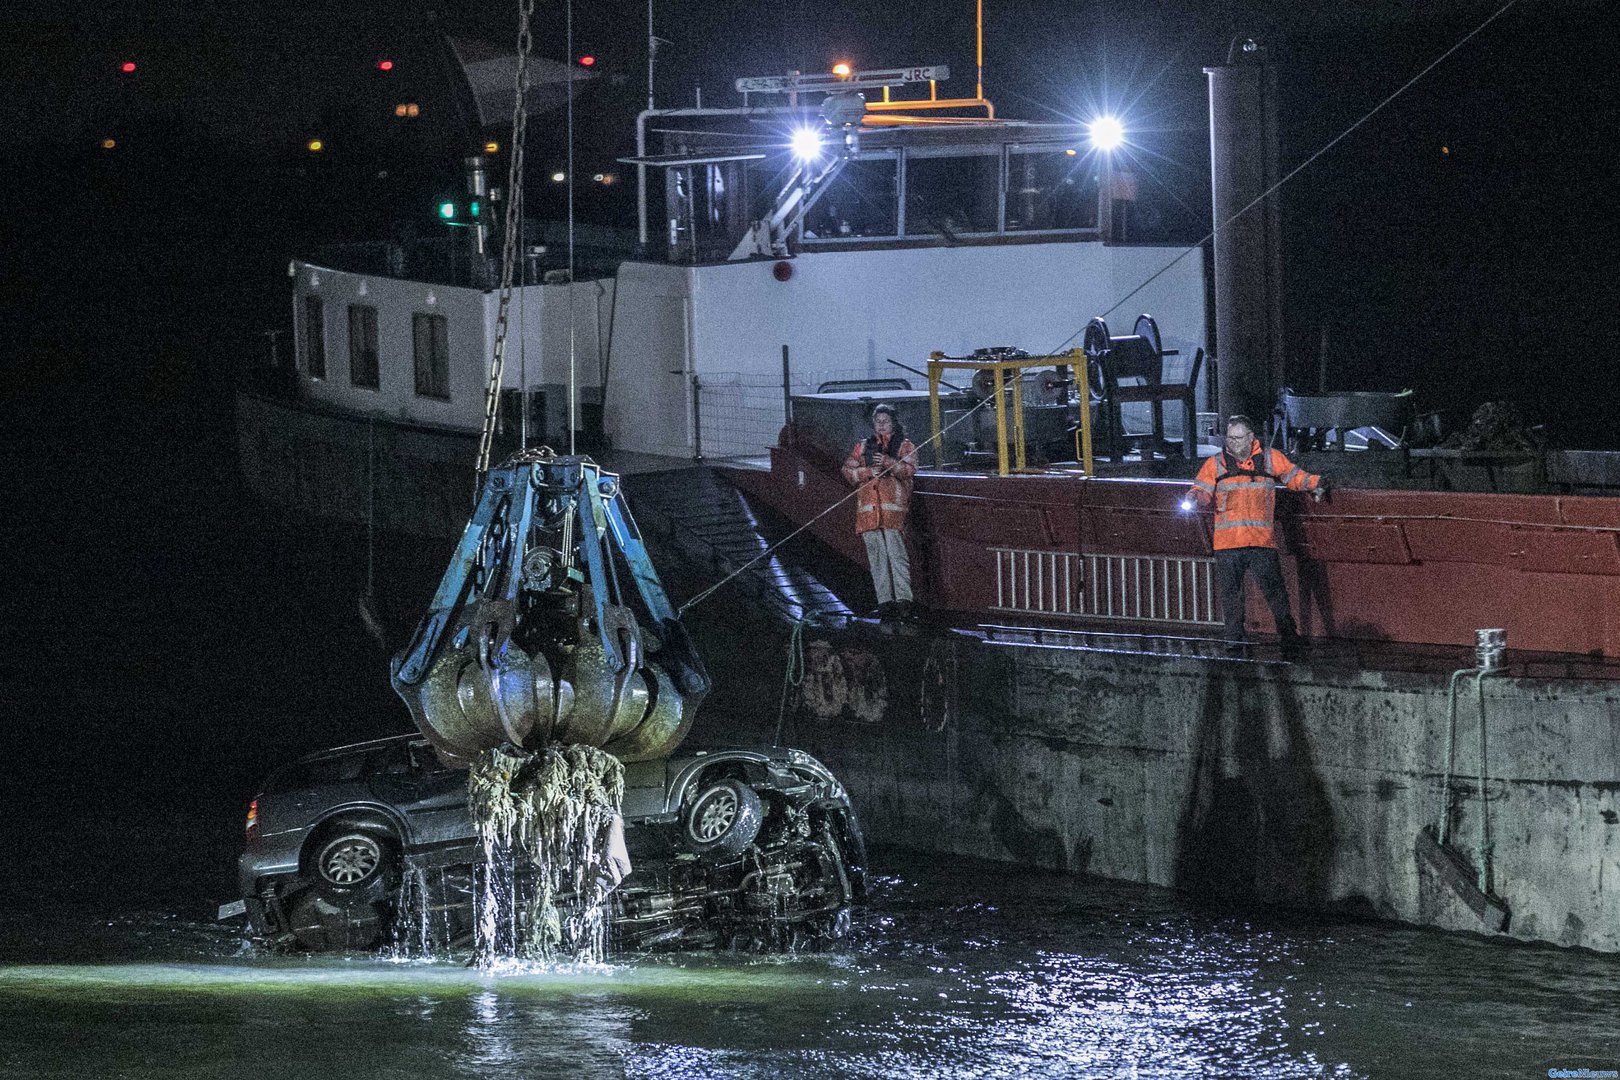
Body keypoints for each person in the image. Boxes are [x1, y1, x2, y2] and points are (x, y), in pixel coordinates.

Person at [1186, 415, 1325, 655]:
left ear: (1251, 438)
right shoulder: (1215, 464)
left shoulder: (1271, 459)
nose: (1233, 443)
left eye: (1239, 438)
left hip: (1260, 542)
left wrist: (1316, 483)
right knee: (1231, 598)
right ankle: (1234, 641)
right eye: (1230, 438)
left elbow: (1294, 477)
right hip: (1228, 545)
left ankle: (1289, 638)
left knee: (1276, 594)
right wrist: (1193, 497)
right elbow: (1202, 490)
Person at [842, 404, 918, 621]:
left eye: (885, 421)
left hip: (892, 510)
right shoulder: (862, 446)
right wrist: (867, 472)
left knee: (897, 556)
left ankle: (904, 601)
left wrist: (888, 463)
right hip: (868, 512)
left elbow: (910, 470)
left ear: (893, 422)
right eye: (878, 421)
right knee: (877, 559)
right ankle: (884, 602)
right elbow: (847, 470)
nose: (881, 424)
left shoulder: (905, 446)